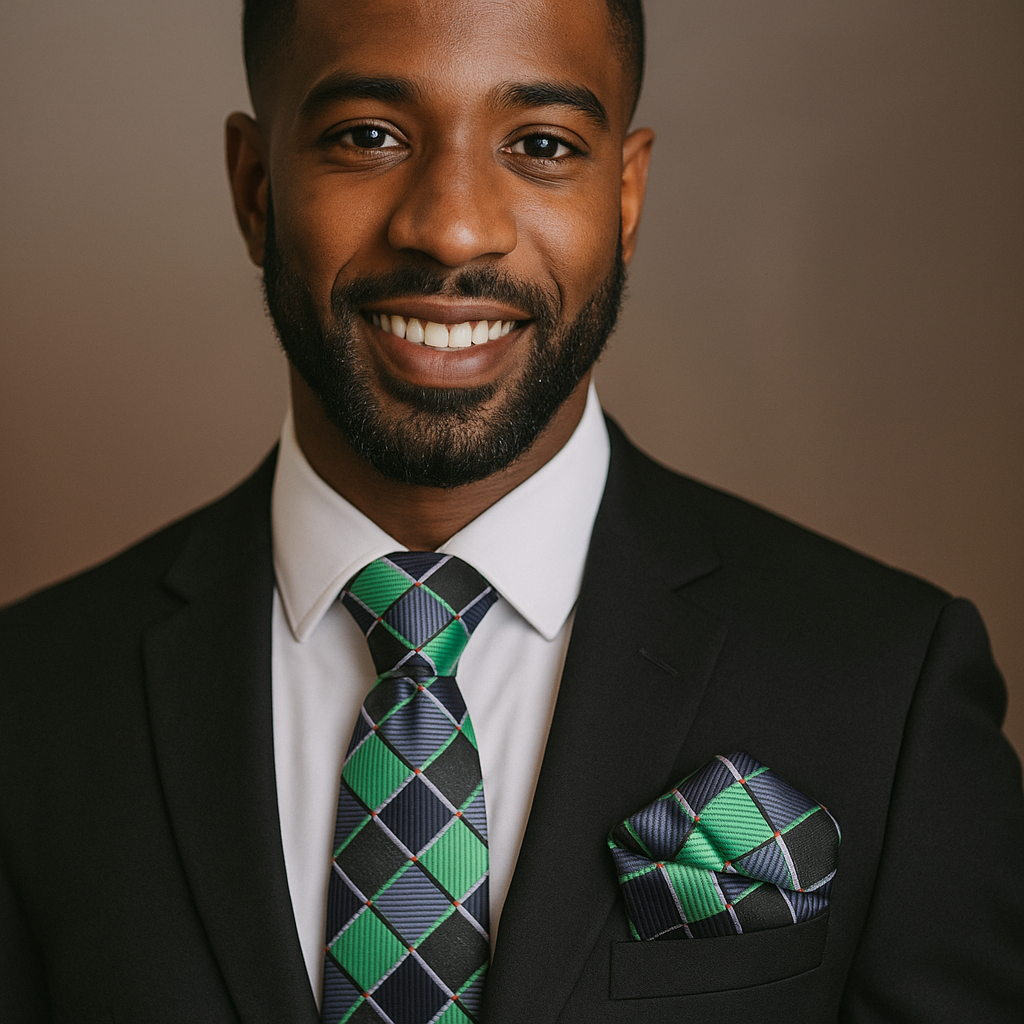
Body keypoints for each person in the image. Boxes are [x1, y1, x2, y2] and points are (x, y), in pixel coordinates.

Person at [1, 0, 1022, 1021]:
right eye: (369, 136)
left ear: (625, 197)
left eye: (540, 145)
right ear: (255, 188)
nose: (451, 227)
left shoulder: (885, 684)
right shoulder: (30, 703)